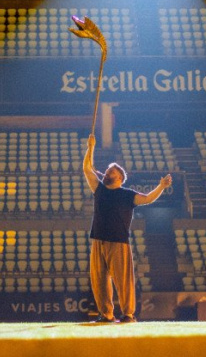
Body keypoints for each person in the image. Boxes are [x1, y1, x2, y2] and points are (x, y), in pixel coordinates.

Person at [82, 133, 172, 323]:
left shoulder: (127, 195)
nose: (107, 172)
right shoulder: (99, 189)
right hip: (98, 239)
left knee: (123, 280)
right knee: (99, 281)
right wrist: (91, 147)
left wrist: (161, 186)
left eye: (111, 171)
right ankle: (106, 314)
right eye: (107, 170)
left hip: (118, 242)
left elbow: (148, 198)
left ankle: (128, 314)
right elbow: (87, 169)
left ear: (120, 178)